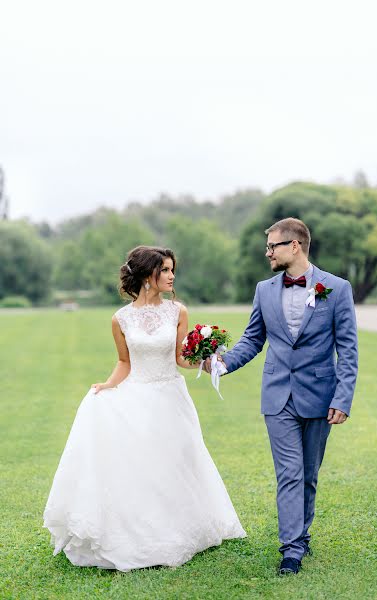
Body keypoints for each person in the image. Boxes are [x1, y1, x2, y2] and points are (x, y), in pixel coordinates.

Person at [43, 246, 245, 571]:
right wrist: (108, 386)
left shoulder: (177, 311)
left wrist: (204, 356)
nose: (171, 276)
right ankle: (140, 532)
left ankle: (178, 527)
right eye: (164, 270)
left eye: (171, 270)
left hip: (170, 396)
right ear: (146, 274)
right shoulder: (120, 319)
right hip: (136, 396)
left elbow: (181, 358)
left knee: (176, 462)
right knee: (140, 467)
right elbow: (124, 362)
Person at [205, 217, 358, 575]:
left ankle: (300, 535)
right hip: (278, 398)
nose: (267, 252)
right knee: (289, 472)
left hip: (321, 396)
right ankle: (291, 549)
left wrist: (343, 397)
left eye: (273, 246)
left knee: (308, 474)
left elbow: (348, 350)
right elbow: (253, 339)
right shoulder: (264, 290)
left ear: (295, 246)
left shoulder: (336, 288)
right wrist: (223, 363)